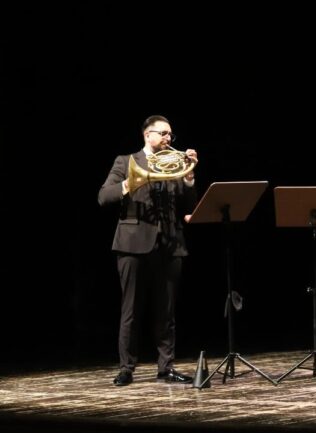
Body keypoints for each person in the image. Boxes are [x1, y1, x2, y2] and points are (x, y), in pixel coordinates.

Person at [98, 115, 198, 386]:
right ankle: (126, 368)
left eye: (170, 134)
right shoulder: (126, 161)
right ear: (147, 135)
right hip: (133, 244)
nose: (168, 139)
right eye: (163, 133)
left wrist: (188, 178)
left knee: (166, 311)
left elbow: (188, 205)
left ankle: (166, 367)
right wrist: (129, 184)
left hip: (169, 243)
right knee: (131, 309)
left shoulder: (174, 164)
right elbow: (103, 196)